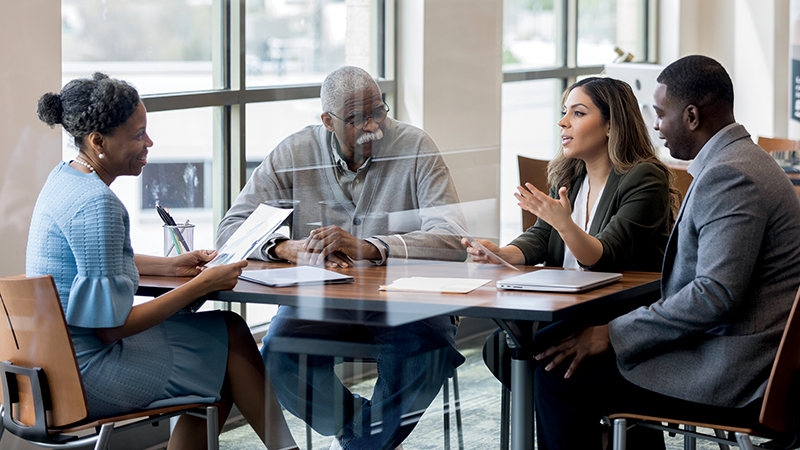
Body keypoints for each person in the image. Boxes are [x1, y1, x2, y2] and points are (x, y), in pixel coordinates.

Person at [533, 55, 800, 449]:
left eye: (660, 114)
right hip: (755, 360)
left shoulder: (730, 175)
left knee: (557, 371)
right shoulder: (740, 161)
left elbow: (715, 295)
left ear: (691, 116)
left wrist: (613, 333)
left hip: (737, 376)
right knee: (562, 352)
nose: (655, 126)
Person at [27, 73, 298, 450]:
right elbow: (111, 329)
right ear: (98, 141)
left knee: (219, 352)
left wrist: (171, 267)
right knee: (231, 334)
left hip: (50, 367)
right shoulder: (98, 204)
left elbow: (96, 264)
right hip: (87, 373)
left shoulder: (63, 180)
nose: (149, 142)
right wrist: (201, 285)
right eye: (138, 135)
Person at [216, 66, 466, 450]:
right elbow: (231, 228)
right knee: (280, 356)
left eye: (379, 111)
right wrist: (285, 248)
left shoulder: (416, 146)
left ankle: (359, 443)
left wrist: (371, 247)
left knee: (426, 353)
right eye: (357, 118)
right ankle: (362, 436)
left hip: (407, 302)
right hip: (325, 302)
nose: (373, 126)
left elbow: (452, 238)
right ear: (328, 121)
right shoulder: (295, 152)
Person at [468, 76, 679, 389]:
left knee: (534, 360)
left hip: (616, 320)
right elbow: (541, 236)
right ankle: (592, 431)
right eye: (564, 112)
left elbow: (606, 256)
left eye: (578, 113)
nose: (562, 122)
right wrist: (501, 254)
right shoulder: (572, 175)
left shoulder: (644, 178)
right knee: (501, 349)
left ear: (611, 125)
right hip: (569, 308)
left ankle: (593, 430)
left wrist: (564, 223)